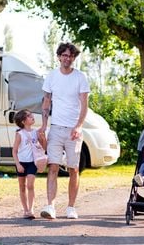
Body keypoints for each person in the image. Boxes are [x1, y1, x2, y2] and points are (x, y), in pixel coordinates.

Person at [40, 42, 90, 220]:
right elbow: (46, 100)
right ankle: (50, 206)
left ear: (73, 58)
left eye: (70, 56)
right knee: (53, 166)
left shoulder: (80, 77)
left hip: (73, 130)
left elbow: (84, 104)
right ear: (59, 56)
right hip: (56, 128)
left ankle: (71, 207)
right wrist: (44, 125)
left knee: (73, 169)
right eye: (64, 55)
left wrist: (78, 126)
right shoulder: (52, 76)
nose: (67, 58)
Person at [12, 109, 47, 219]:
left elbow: (44, 147)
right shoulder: (19, 134)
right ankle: (25, 210)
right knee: (22, 187)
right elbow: (14, 151)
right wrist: (18, 164)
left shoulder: (36, 132)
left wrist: (43, 138)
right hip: (22, 163)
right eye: (29, 116)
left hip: (32, 162)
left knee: (30, 185)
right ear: (23, 121)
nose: (33, 117)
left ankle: (31, 209)